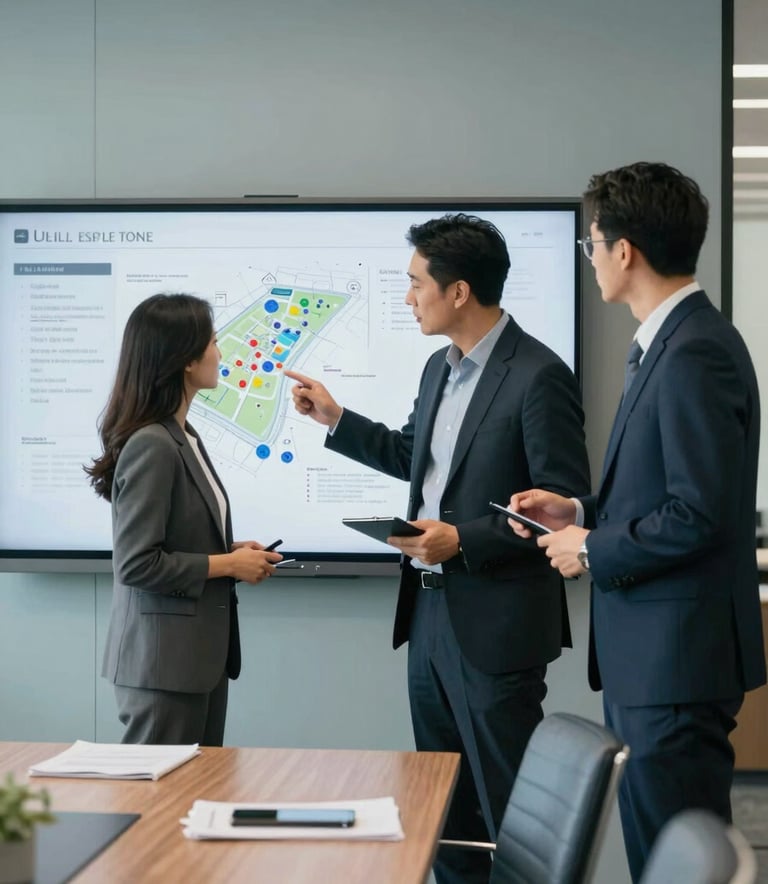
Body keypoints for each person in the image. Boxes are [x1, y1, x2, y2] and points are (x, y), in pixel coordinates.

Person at [284, 213, 590, 884]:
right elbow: (410, 454)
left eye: (415, 283)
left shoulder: (538, 375)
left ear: (459, 292)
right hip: (427, 618)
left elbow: (560, 506)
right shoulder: (436, 370)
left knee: (509, 813)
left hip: (497, 625)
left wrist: (463, 540)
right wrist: (336, 419)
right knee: (443, 812)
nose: (408, 297)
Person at [508, 162, 766, 882]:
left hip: (674, 665)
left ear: (625, 251)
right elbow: (673, 493)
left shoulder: (694, 352)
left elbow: (700, 515)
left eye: (592, 242)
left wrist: (589, 547)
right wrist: (580, 511)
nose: (590, 258)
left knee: (675, 862)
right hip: (657, 659)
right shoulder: (672, 342)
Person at [86, 293, 283, 746]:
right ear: (186, 360)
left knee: (193, 799)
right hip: (163, 668)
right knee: (160, 810)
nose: (221, 353)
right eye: (214, 342)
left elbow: (176, 538)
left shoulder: (183, 435)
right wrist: (228, 566)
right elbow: (136, 564)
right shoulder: (153, 443)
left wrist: (232, 551)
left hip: (194, 662)